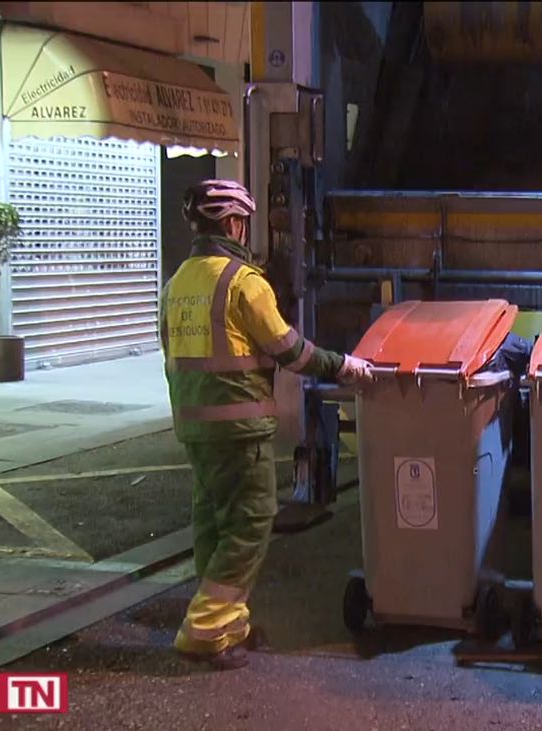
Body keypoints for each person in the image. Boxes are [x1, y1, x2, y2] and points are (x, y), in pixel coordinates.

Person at [160, 179, 376, 670]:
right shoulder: (242, 282)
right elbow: (289, 350)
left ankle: (229, 623)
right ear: (234, 223)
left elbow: (169, 352)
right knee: (251, 523)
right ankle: (206, 628)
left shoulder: (176, 284)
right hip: (240, 429)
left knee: (214, 525)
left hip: (194, 428)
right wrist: (345, 366)